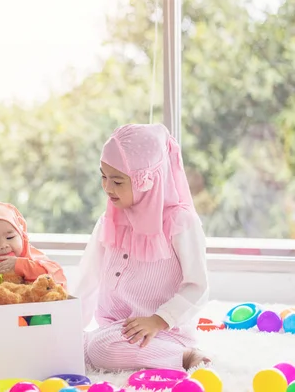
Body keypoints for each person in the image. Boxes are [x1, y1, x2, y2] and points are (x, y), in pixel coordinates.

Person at [73, 123, 210, 371]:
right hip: (113, 329)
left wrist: (158, 321)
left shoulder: (180, 222)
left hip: (163, 333)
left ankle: (183, 356)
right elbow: (88, 278)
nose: (107, 188)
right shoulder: (109, 220)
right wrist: (68, 325)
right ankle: (91, 342)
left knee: (100, 349)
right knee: (75, 345)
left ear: (148, 181)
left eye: (117, 181)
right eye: (103, 177)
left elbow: (198, 286)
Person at [0, 202, 67, 302]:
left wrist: (20, 265)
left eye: (10, 237)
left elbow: (56, 279)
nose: (3, 245)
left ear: (22, 236)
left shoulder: (33, 257)